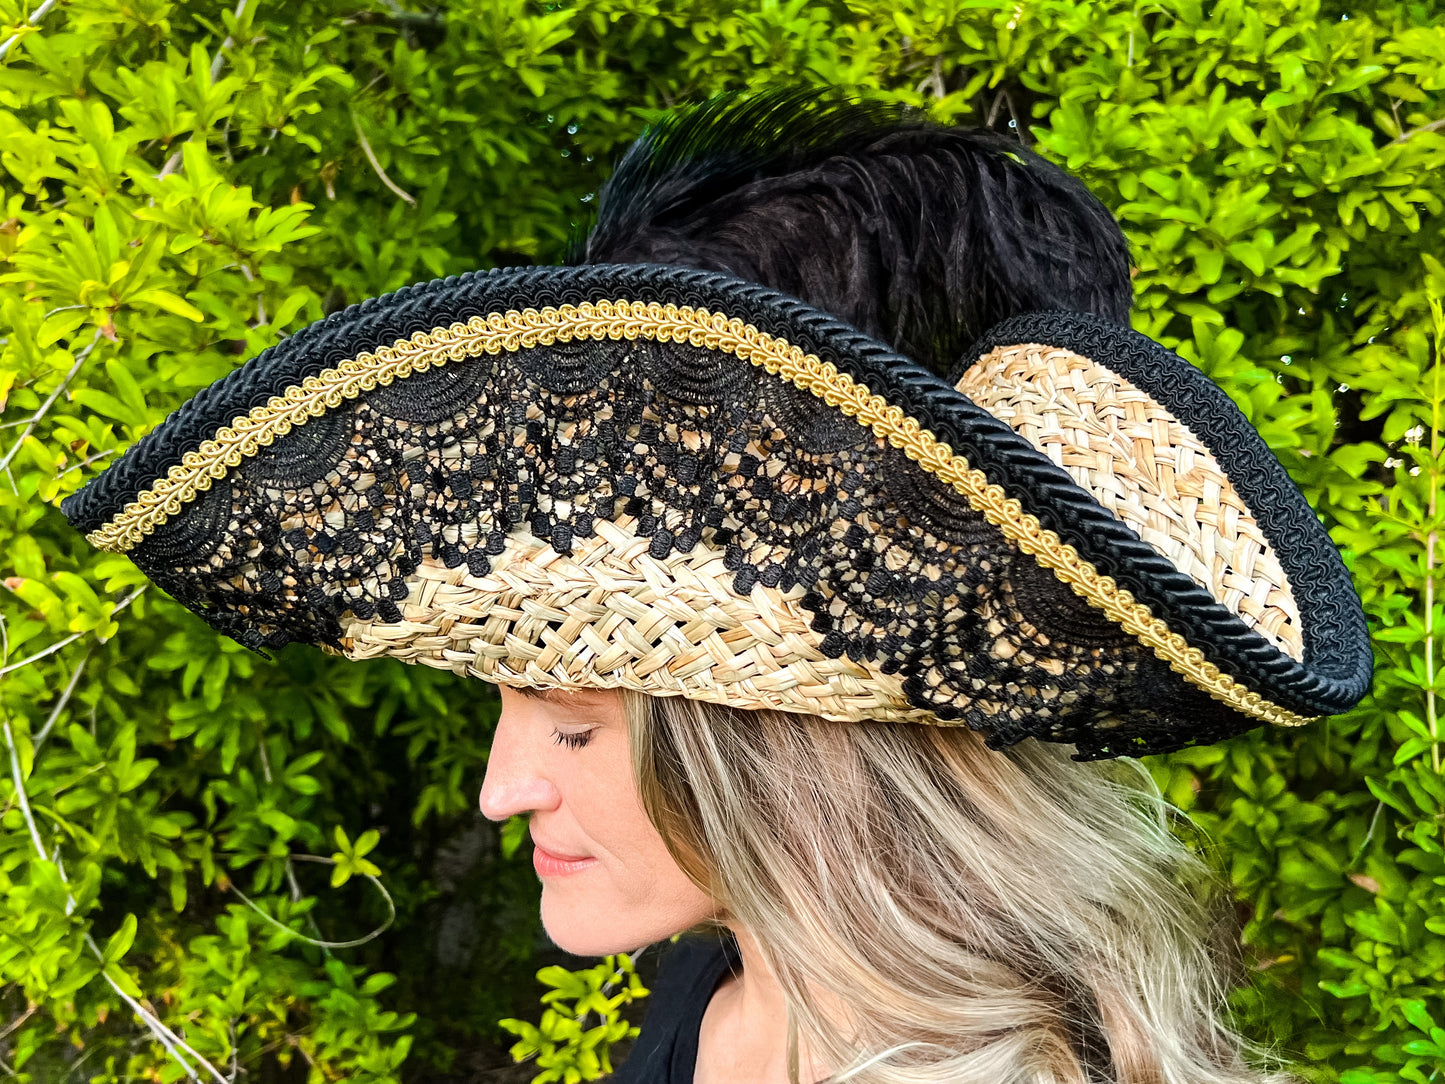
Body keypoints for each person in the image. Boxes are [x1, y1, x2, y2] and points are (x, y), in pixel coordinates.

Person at [62, 90, 1372, 1083]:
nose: (499, 789)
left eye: (575, 723)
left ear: (794, 756)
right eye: (512, 711)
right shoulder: (710, 1001)